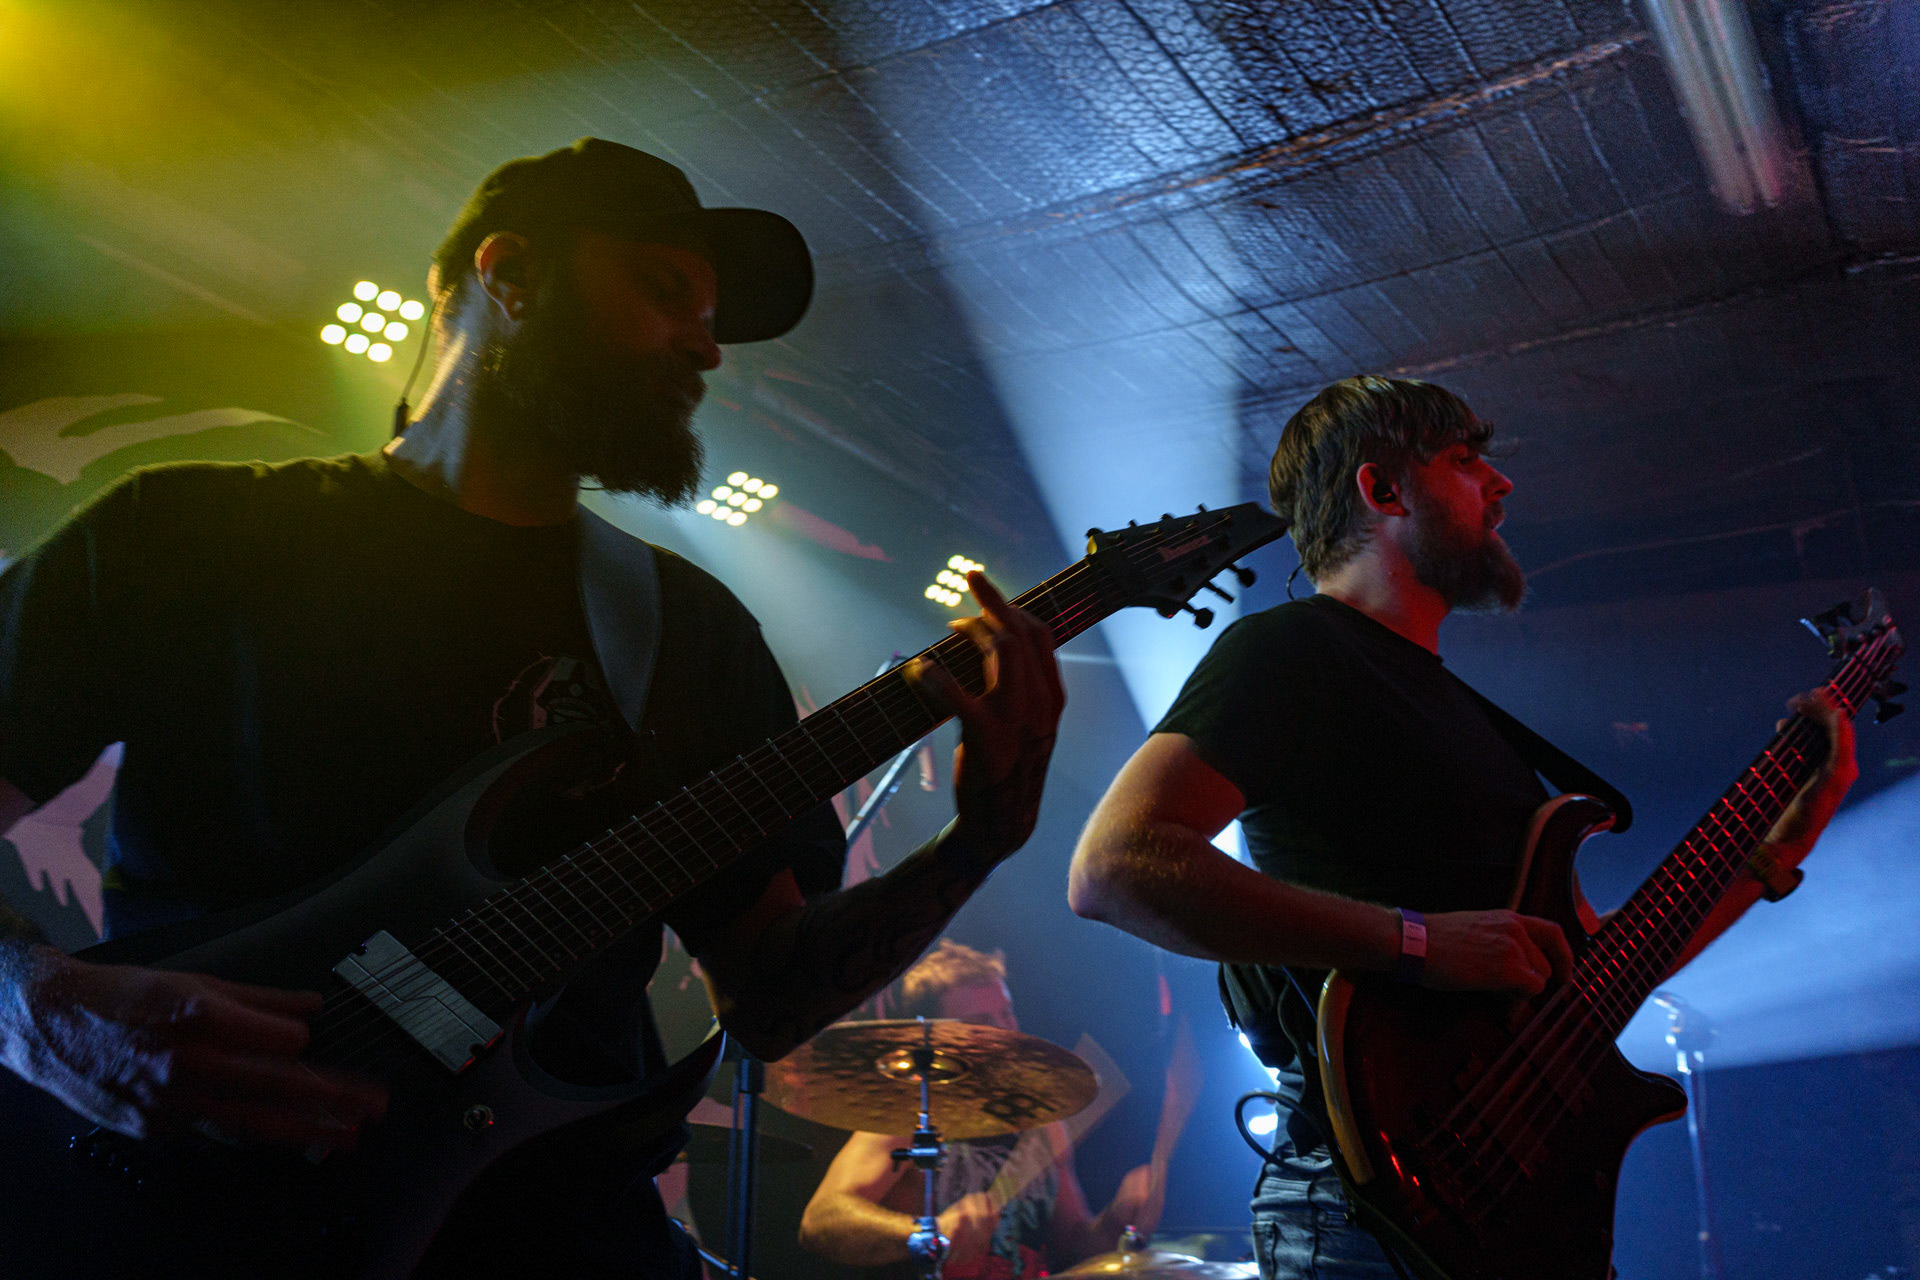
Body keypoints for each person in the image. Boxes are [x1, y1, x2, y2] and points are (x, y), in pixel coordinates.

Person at [0, 137, 1066, 1278]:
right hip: (177, 1214)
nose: (706, 346)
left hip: (560, 1230)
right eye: (665, 293)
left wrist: (980, 841)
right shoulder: (182, 536)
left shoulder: (686, 631)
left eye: (710, 318)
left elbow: (767, 998)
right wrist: (36, 1007)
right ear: (509, 273)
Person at [1065, 376, 1858, 1277]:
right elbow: (1115, 865)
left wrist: (1775, 853)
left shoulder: (1470, 720)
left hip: (1523, 1216)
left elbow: (1587, 977)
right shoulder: (1290, 650)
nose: (1502, 485)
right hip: (1373, 1212)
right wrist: (1416, 945)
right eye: (1466, 460)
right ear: (1384, 491)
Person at [798, 940, 1190, 1279]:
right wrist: (929, 1234)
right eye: (982, 1023)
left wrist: (1116, 1220)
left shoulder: (1040, 1124)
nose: (1006, 1031)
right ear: (937, 1037)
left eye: (1006, 1013)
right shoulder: (909, 1115)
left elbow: (1072, 1248)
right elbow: (820, 1221)